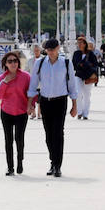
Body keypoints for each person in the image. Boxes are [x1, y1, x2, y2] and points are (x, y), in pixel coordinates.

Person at [26, 38, 80, 177]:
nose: (51, 52)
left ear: (58, 48)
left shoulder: (66, 63)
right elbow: (33, 84)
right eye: (48, 50)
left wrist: (75, 105)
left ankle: (57, 165)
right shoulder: (40, 63)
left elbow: (72, 85)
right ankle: (52, 161)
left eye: (53, 49)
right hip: (45, 101)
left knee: (58, 133)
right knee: (48, 134)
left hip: (60, 101)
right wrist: (30, 104)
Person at [0, 51, 30, 176]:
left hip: (21, 112)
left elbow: (31, 93)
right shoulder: (2, 78)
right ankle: (10, 167)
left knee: (19, 139)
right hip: (6, 112)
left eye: (15, 61)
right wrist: (5, 82)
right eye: (10, 61)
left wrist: (32, 105)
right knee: (8, 140)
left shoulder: (25, 76)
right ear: (5, 64)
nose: (13, 63)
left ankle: (20, 162)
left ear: (18, 62)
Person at [71, 36, 99, 120]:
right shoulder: (76, 53)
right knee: (78, 93)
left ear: (85, 44)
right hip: (79, 75)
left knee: (87, 95)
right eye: (78, 43)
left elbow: (95, 65)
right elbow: (74, 64)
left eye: (81, 43)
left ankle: (85, 113)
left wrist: (86, 65)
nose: (79, 45)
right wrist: (80, 65)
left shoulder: (90, 54)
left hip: (88, 76)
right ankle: (79, 112)